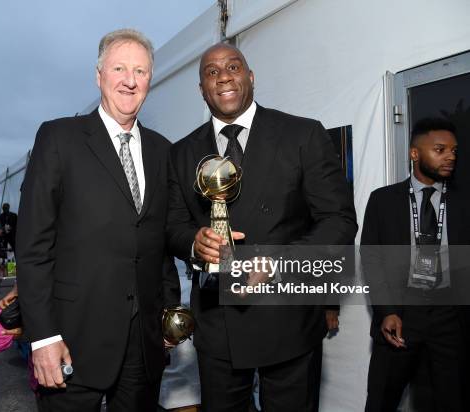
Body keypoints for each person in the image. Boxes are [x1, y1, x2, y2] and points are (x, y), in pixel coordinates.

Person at [166, 43, 357, 412]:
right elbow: (173, 225)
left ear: (250, 77)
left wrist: (277, 261)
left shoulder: (302, 134)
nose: (223, 76)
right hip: (216, 323)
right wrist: (193, 242)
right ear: (202, 89)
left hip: (288, 317)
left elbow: (339, 221)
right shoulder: (181, 153)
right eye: (212, 72)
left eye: (233, 67)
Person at [16, 28, 180, 412]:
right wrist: (42, 338)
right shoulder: (58, 138)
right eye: (119, 68)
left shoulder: (163, 150)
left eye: (140, 71)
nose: (130, 80)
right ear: (99, 75)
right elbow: (33, 248)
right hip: (71, 342)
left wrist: (169, 313)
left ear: (150, 80)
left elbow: (157, 242)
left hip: (143, 345)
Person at [361, 118, 468, 411]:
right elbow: (372, 259)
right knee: (382, 400)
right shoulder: (383, 200)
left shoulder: (463, 202)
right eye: (440, 149)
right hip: (400, 316)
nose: (450, 156)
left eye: (454, 150)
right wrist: (388, 311)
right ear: (415, 154)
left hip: (451, 318)